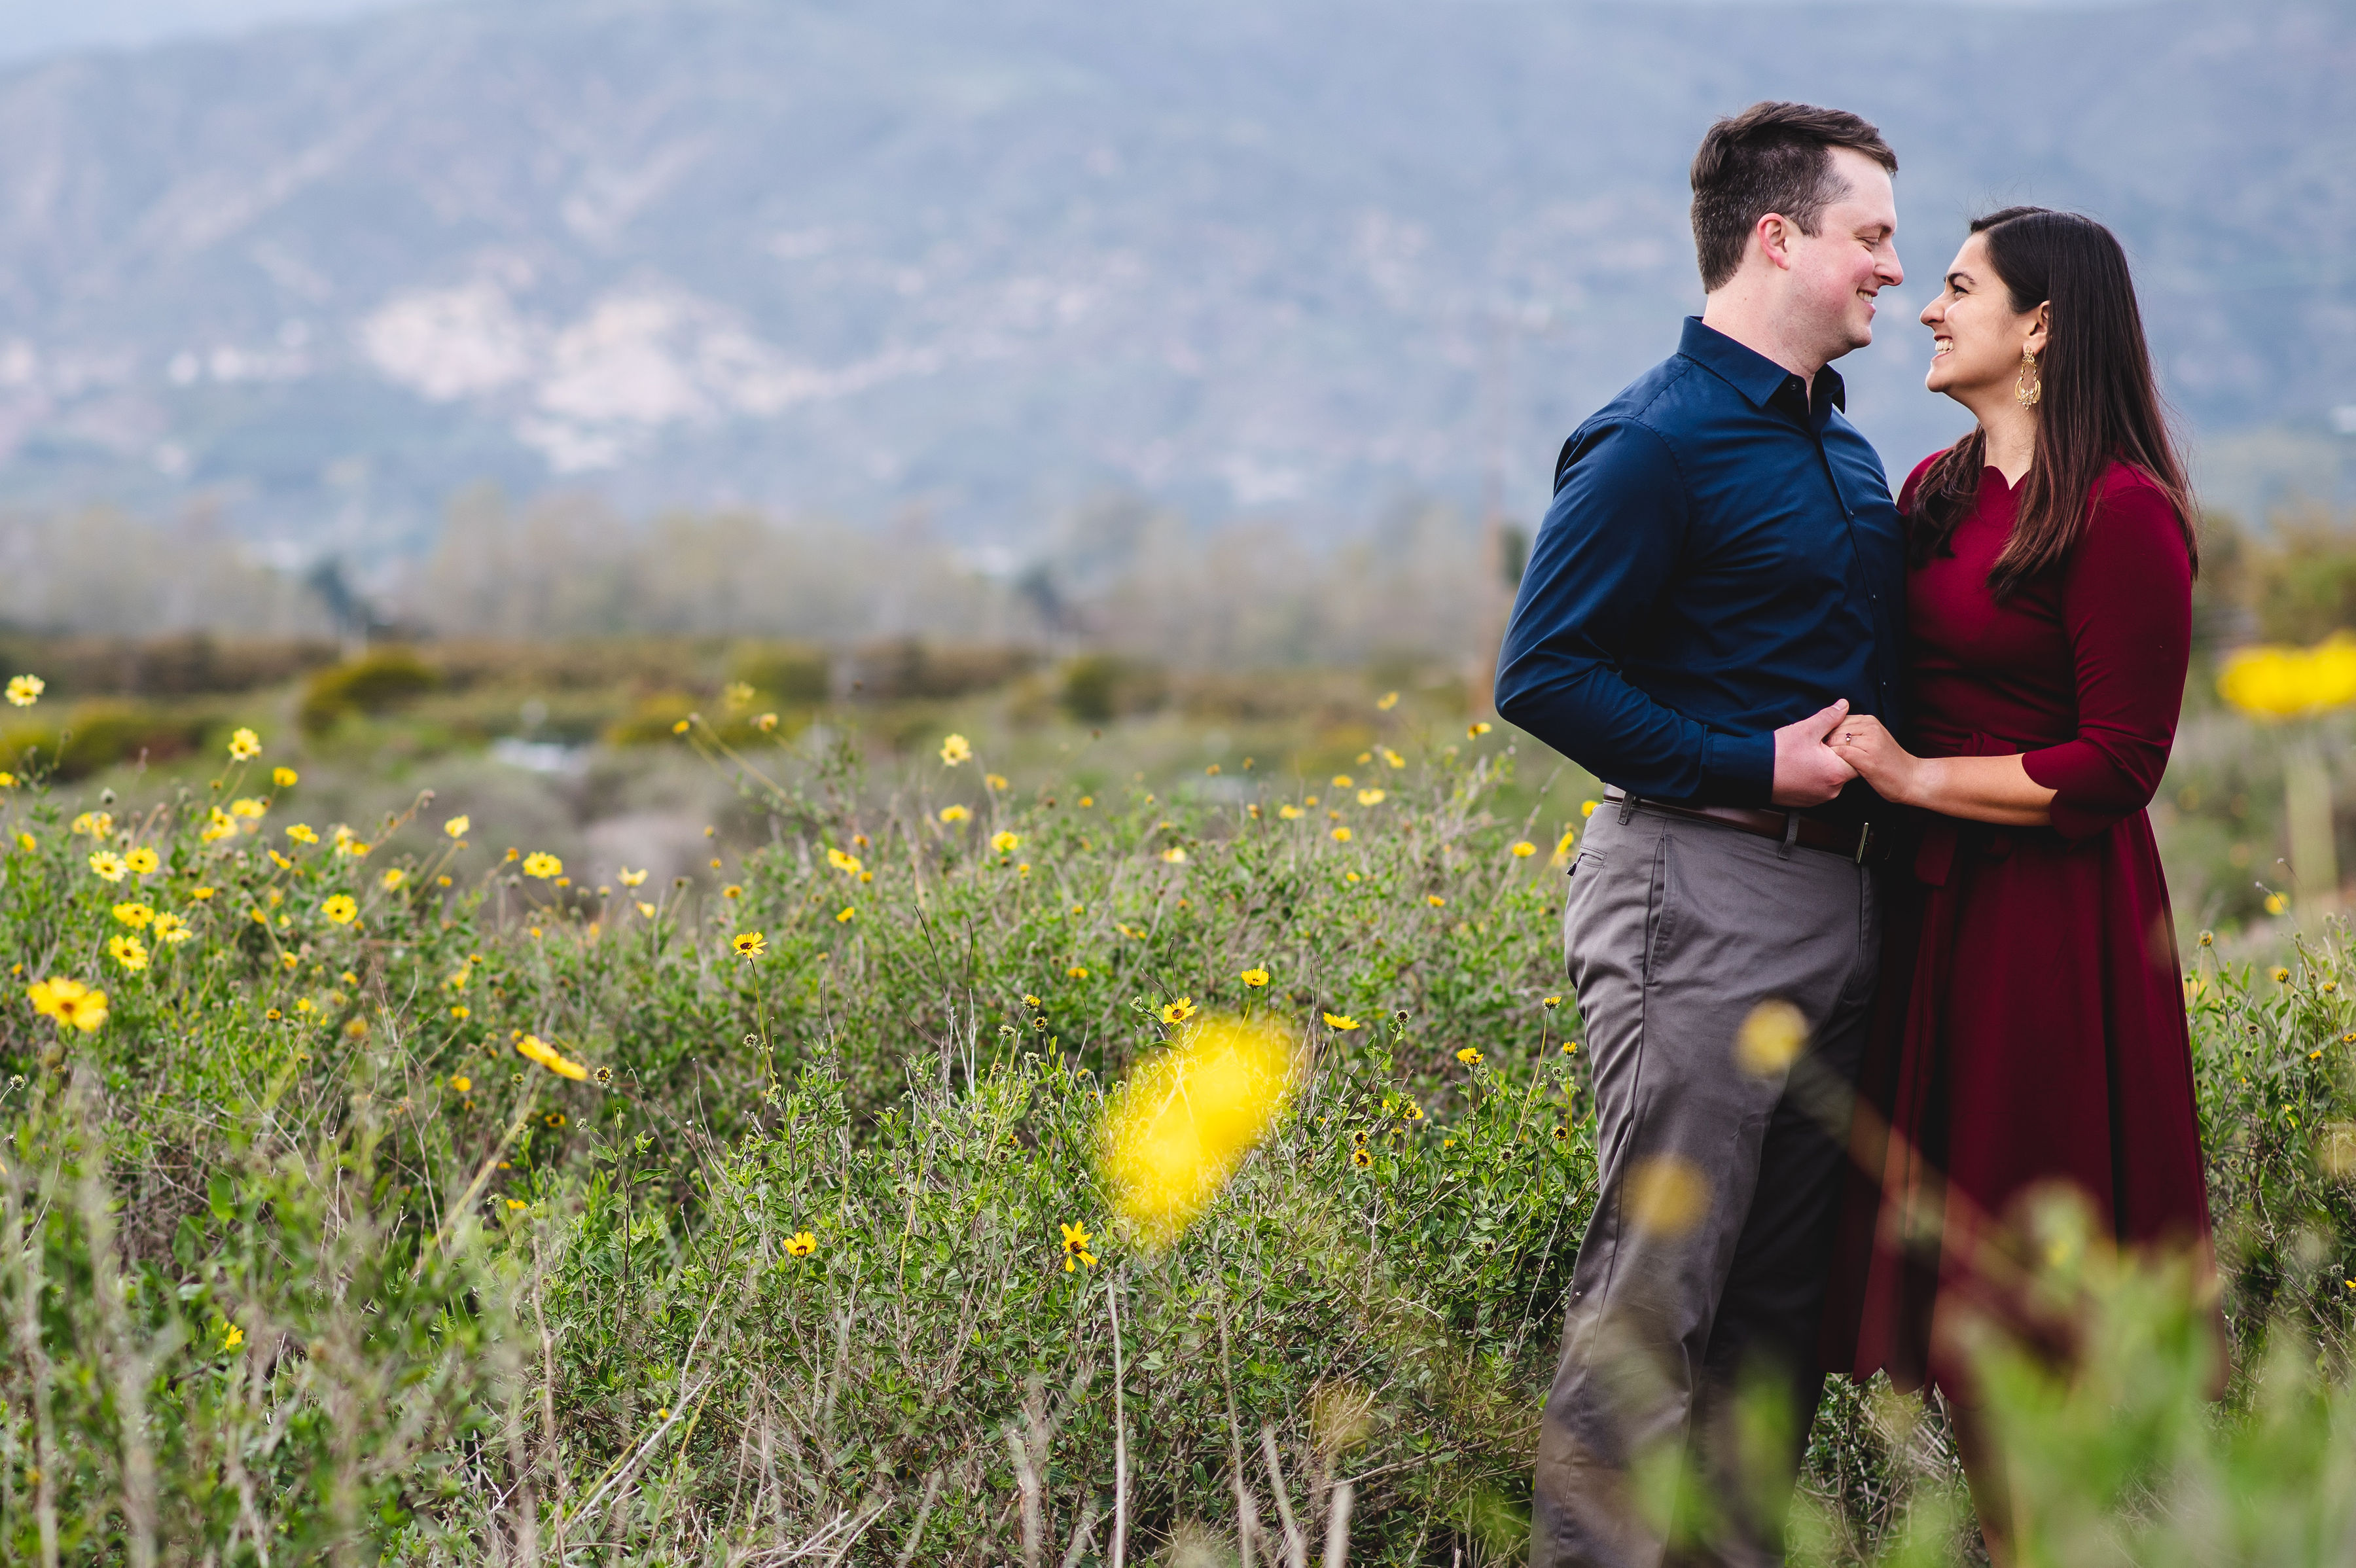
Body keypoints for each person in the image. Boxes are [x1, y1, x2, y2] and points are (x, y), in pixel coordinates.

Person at [1495, 101, 1906, 1567]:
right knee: (1656, 1299)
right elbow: (1541, 673)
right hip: (1698, 892)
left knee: (1777, 1316)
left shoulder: (1847, 452)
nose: (1894, 271)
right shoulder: (1652, 439)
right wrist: (1750, 759)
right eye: (1872, 236)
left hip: (1842, 916)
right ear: (1778, 236)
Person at [1817, 206, 2210, 1559]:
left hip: (2050, 928)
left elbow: (2120, 760)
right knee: (1942, 1264)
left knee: (2029, 1269)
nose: (1929, 308)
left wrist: (1919, 777)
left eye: (1959, 285)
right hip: (1926, 910)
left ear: (2040, 323)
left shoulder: (2122, 514)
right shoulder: (1931, 491)